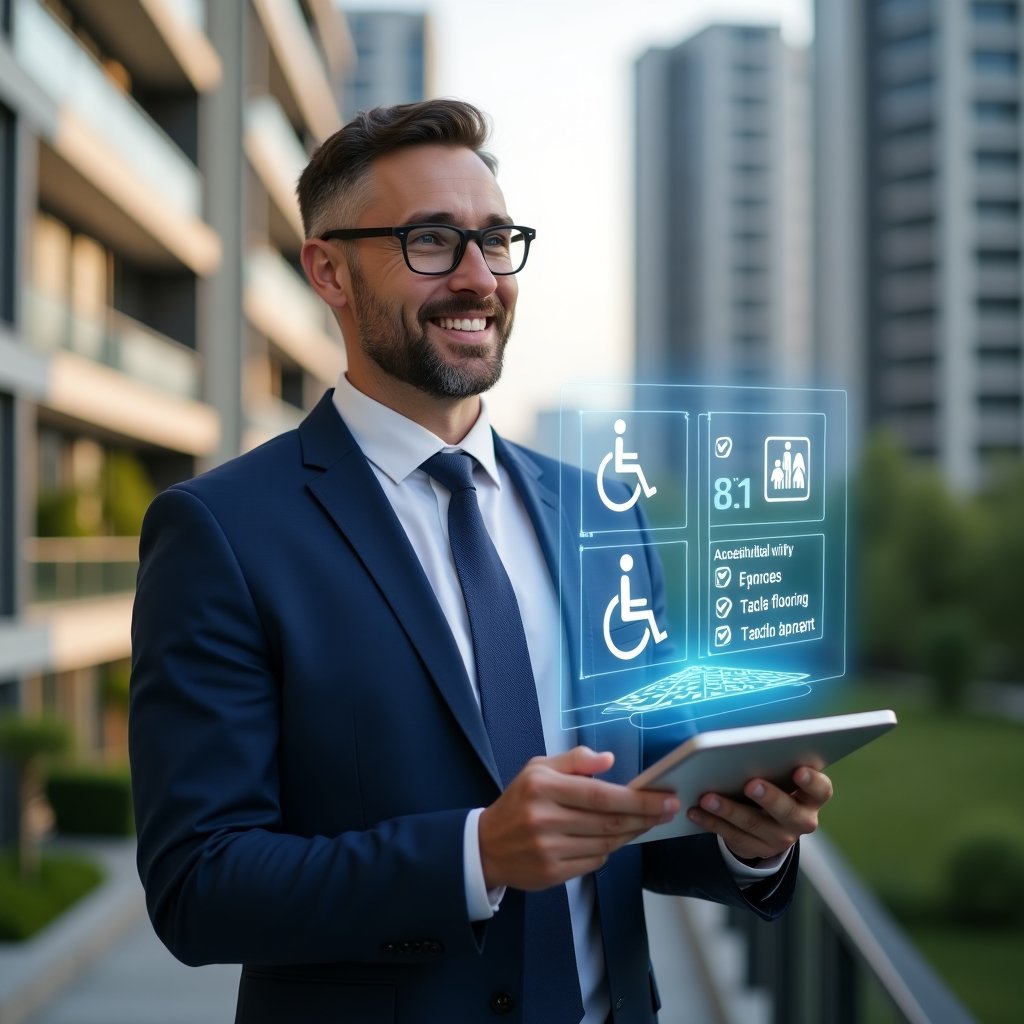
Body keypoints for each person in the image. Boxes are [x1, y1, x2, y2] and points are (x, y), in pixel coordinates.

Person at [129, 99, 833, 1024]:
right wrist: (476, 856)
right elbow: (199, 884)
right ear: (329, 270)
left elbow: (642, 802)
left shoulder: (604, 512)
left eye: (497, 241)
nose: (477, 277)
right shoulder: (219, 531)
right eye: (432, 241)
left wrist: (752, 837)